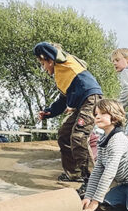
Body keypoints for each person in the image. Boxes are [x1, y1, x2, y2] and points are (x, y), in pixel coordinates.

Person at [34, 42, 103, 193]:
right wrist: (49, 112)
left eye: (43, 63)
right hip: (82, 104)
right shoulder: (61, 76)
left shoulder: (65, 60)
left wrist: (39, 50)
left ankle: (92, 180)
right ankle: (74, 173)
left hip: (91, 98)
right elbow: (63, 101)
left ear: (50, 59)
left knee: (79, 137)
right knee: (65, 134)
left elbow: (51, 50)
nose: (43, 68)